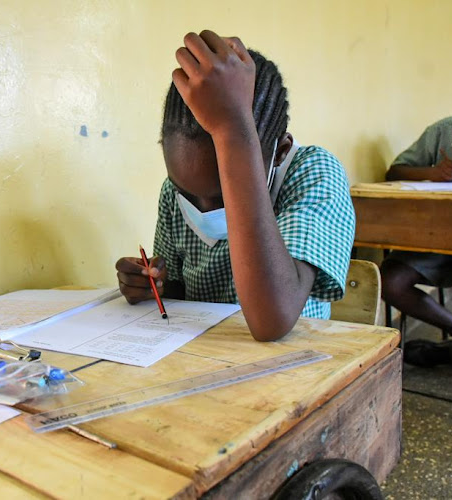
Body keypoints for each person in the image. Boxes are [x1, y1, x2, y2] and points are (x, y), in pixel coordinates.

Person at [115, 30, 355, 342]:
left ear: (280, 152)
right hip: (203, 358)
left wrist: (232, 130)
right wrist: (152, 286)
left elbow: (273, 320)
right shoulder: (173, 193)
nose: (203, 209)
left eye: (220, 195)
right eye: (186, 193)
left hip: (293, 370)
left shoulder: (312, 172)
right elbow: (175, 291)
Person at [381, 96, 452, 368]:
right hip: (435, 239)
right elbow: (394, 172)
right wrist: (428, 173)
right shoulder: (441, 131)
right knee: (389, 281)